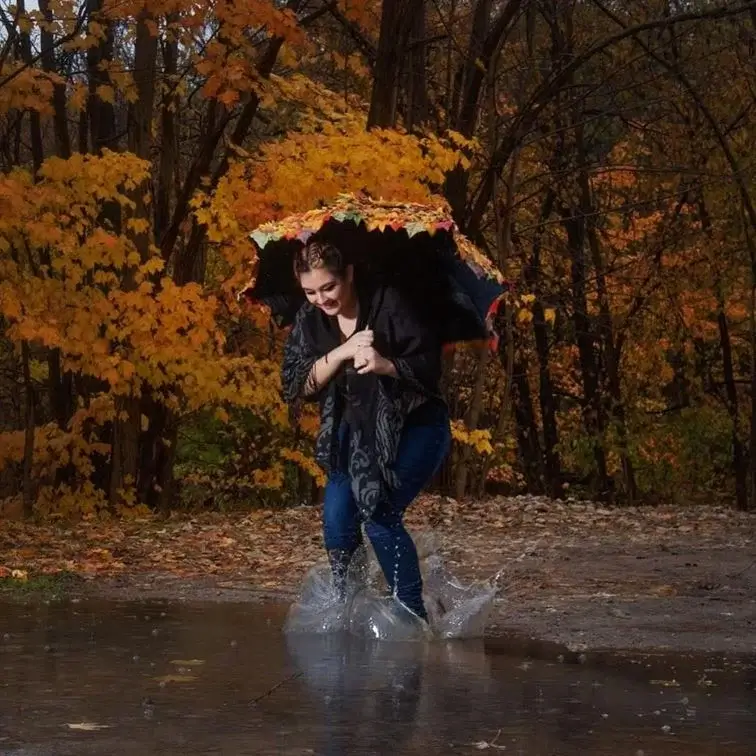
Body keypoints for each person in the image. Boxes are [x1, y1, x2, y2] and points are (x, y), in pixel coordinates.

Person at [281, 239, 451, 622]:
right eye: (310, 291)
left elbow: (430, 369)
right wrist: (341, 352)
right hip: (353, 432)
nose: (321, 299)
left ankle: (412, 616)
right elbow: (297, 385)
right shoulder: (310, 321)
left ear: (349, 275)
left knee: (378, 513)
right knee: (338, 520)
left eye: (329, 287)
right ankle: (350, 606)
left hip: (415, 425)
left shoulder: (390, 304)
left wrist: (386, 364)